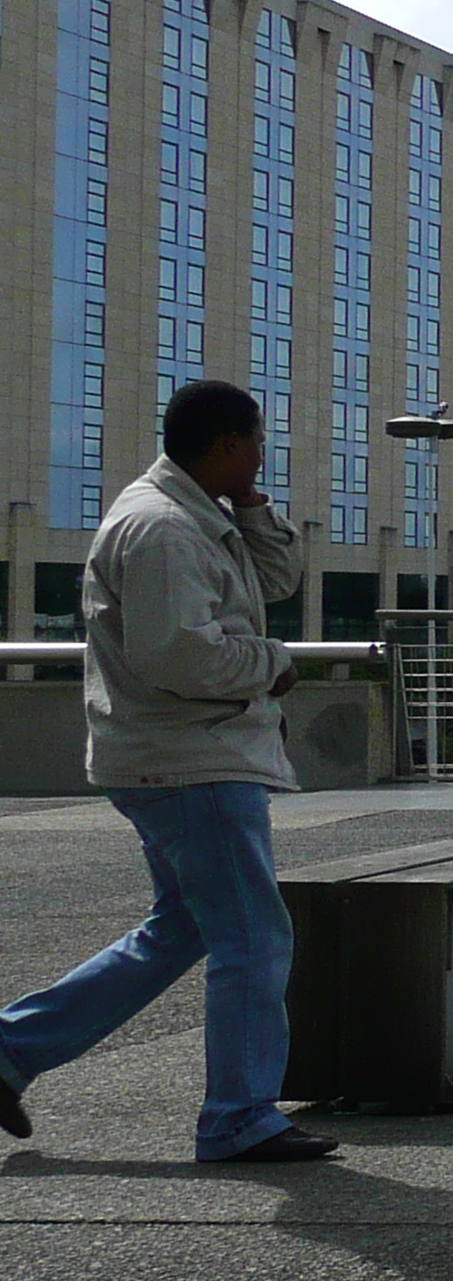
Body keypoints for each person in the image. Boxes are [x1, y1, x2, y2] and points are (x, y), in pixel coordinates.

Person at [0, 381, 338, 1163]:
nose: (263, 455)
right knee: (253, 938)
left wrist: (252, 505)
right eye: (255, 442)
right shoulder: (163, 530)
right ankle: (238, 1118)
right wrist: (272, 664)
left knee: (180, 930)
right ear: (226, 444)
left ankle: (12, 1051)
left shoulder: (196, 512)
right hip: (191, 758)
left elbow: (277, 581)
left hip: (178, 756)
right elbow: (176, 653)